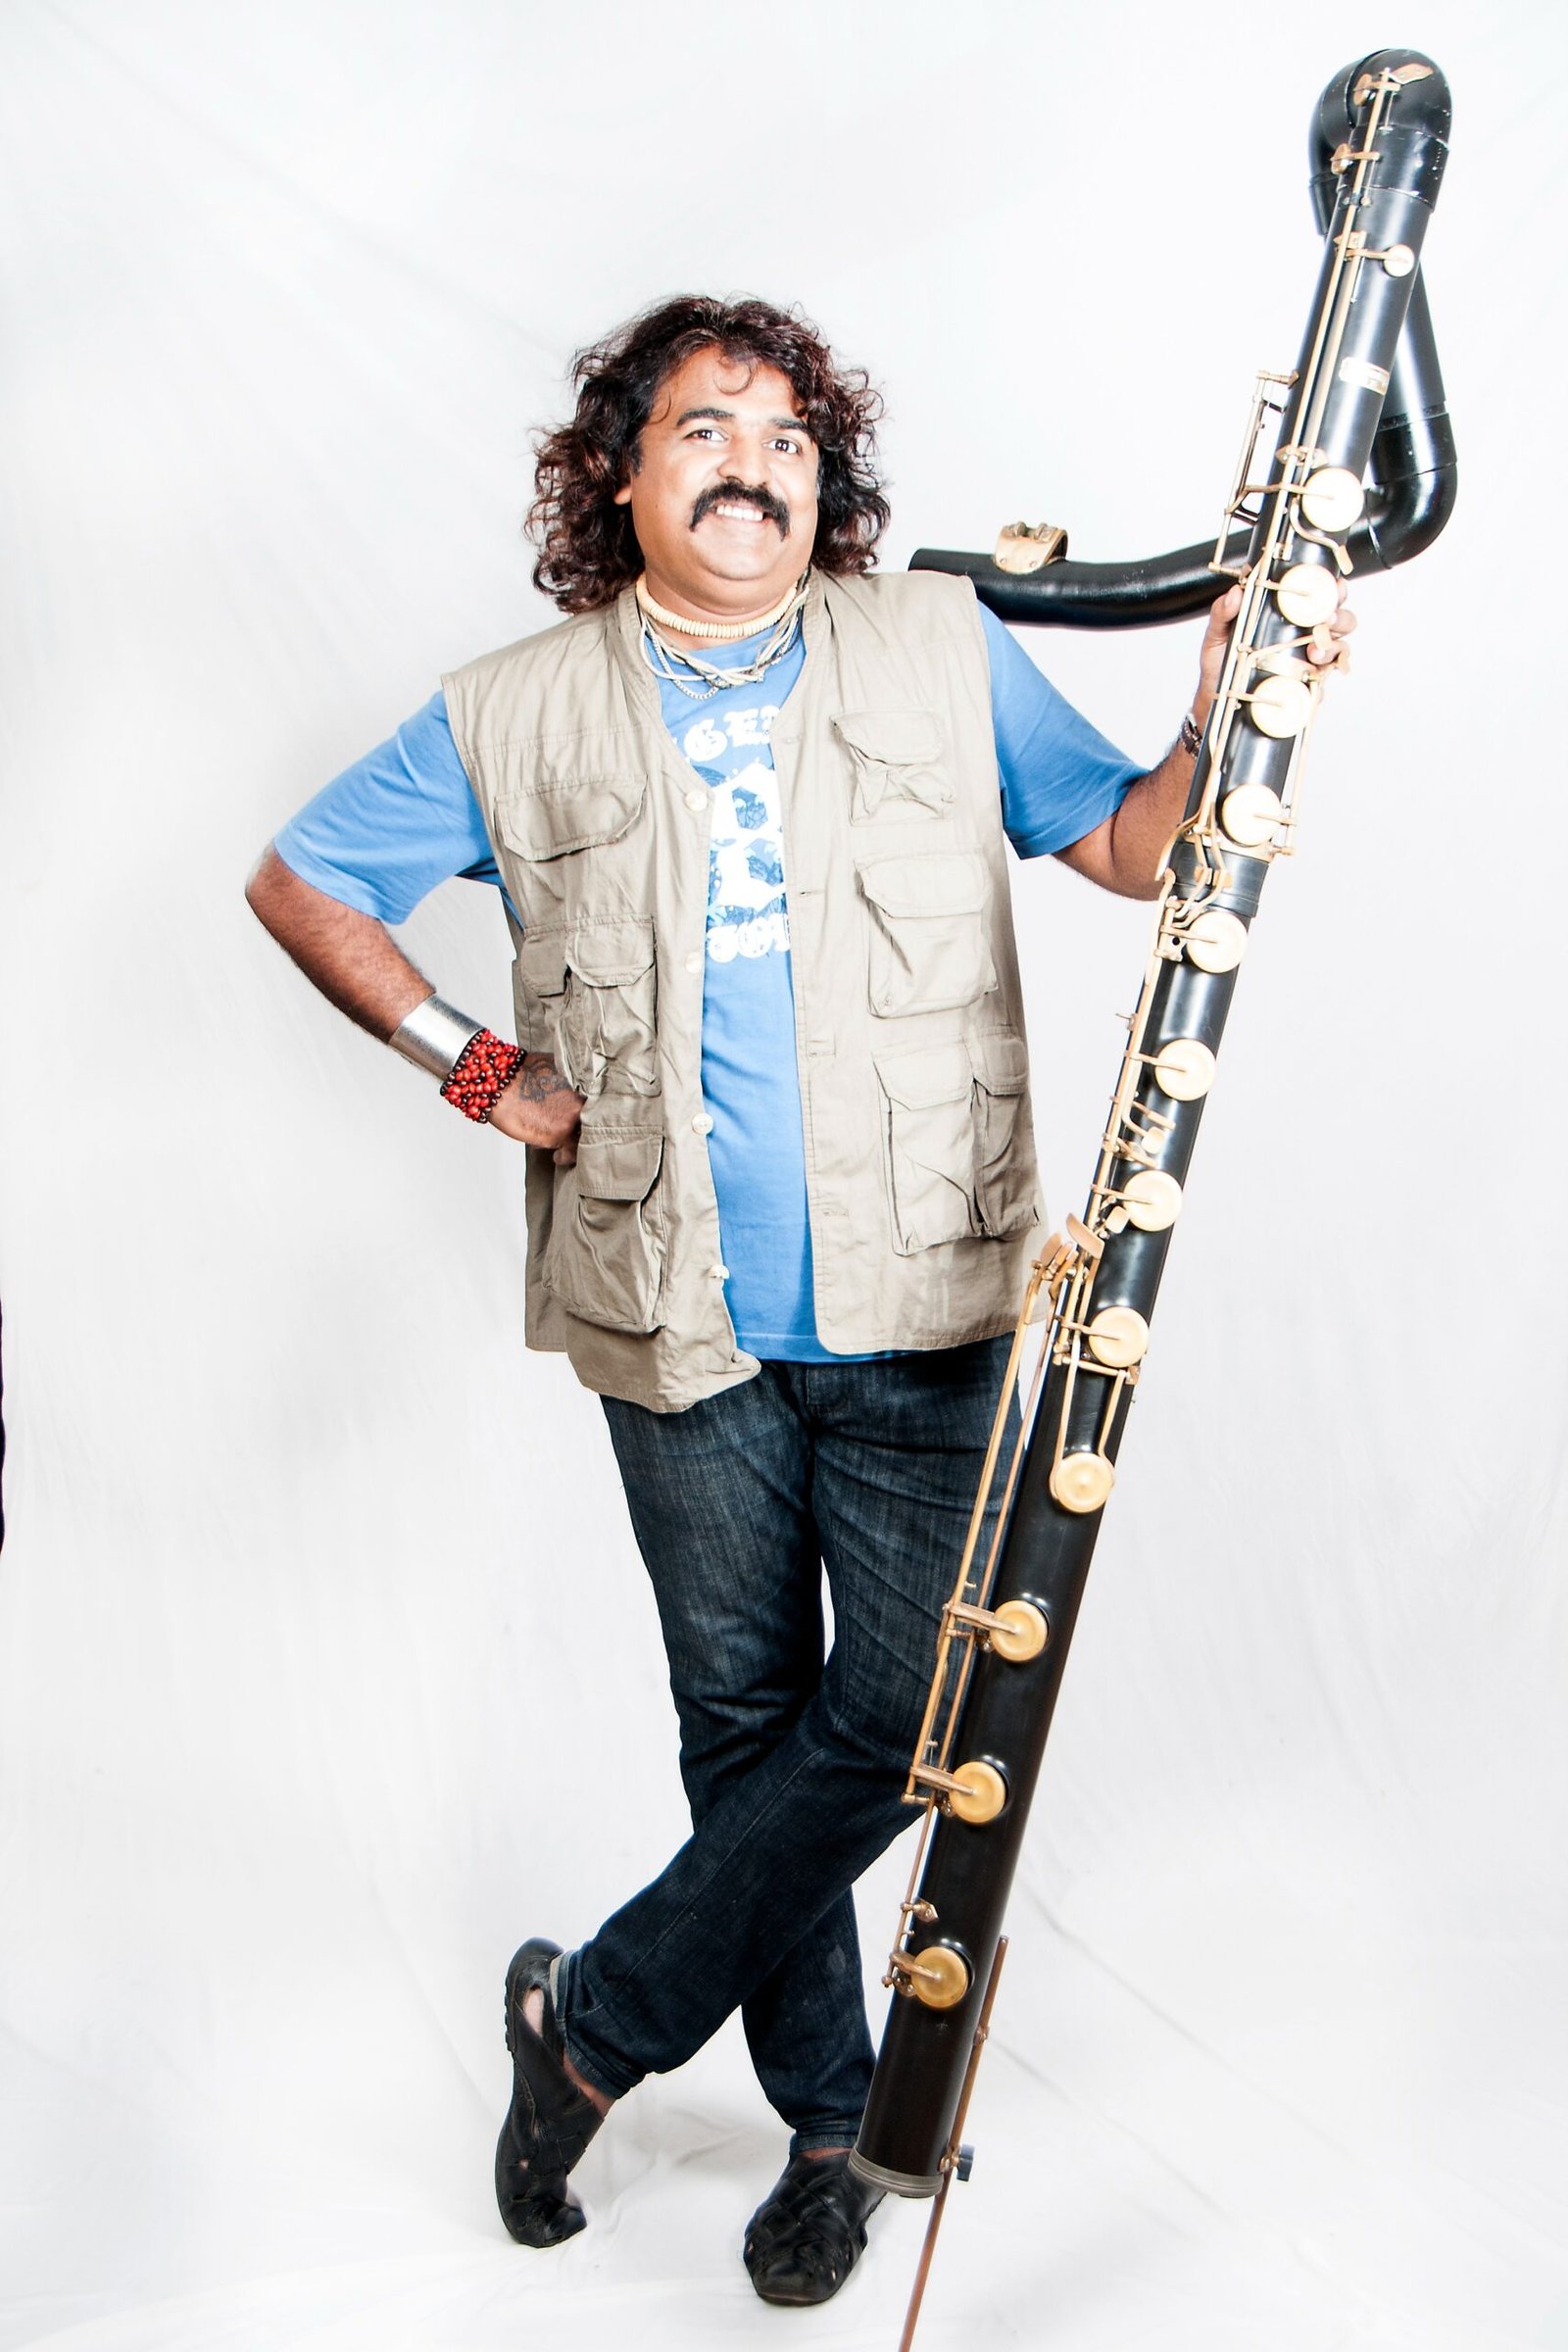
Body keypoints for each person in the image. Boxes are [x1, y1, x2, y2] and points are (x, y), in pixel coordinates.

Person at [246, 294, 1352, 2307]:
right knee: (744, 1726)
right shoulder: (511, 710)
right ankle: (830, 2129)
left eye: (784, 434)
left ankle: (592, 2021)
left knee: (913, 1706)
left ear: (820, 475)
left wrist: (1220, 707)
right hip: (665, 1310)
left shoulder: (938, 647)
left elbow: (1132, 845)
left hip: (928, 1289)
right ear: (619, 474)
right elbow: (304, 879)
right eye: (701, 429)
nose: (750, 464)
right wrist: (479, 1071)